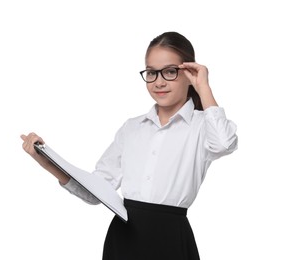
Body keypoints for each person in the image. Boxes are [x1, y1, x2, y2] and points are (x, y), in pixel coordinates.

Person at [21, 31, 238, 260]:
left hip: (170, 238)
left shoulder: (202, 126)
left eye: (170, 71)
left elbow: (224, 143)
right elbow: (96, 192)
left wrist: (204, 87)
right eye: (152, 73)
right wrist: (45, 161)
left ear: (189, 72)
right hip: (123, 237)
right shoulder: (132, 128)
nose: (159, 82)